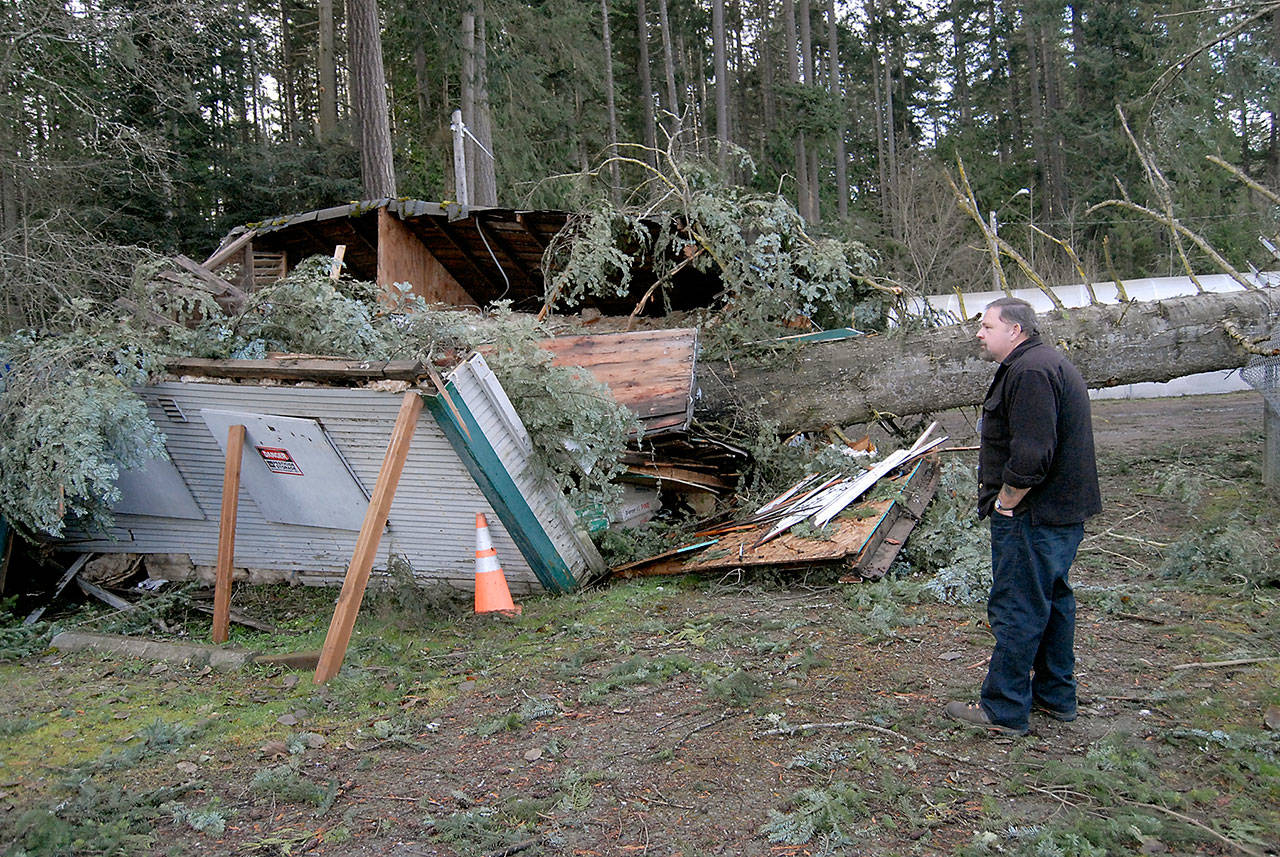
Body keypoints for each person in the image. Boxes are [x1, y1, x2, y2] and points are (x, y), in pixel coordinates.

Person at [945, 296, 1101, 736]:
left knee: (1019, 606)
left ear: (1015, 330)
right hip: (1057, 514)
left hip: (1035, 513)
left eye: (987, 326)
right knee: (1052, 603)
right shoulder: (1040, 363)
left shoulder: (1031, 371)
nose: (979, 333)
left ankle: (1005, 708)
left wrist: (1007, 501)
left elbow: (1033, 454)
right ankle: (1055, 697)